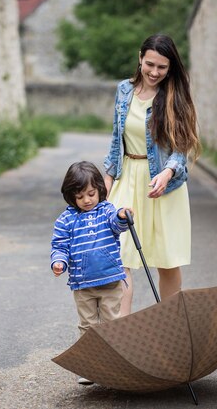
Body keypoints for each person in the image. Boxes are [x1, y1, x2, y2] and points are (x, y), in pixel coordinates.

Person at [103, 34, 200, 316]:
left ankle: (171, 325)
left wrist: (168, 173)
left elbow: (181, 148)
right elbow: (115, 141)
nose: (155, 72)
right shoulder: (124, 91)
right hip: (126, 179)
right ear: (140, 58)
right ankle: (122, 328)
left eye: (162, 67)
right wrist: (106, 180)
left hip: (162, 185)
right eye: (150, 64)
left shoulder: (174, 97)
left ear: (171, 68)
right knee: (118, 257)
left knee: (167, 262)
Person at [51, 161, 133, 385]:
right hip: (82, 284)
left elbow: (116, 224)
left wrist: (123, 217)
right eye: (80, 196)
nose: (87, 200)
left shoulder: (107, 210)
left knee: (111, 322)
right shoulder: (66, 220)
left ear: (99, 189)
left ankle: (116, 362)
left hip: (110, 281)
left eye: (91, 193)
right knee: (87, 325)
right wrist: (59, 262)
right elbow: (59, 246)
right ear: (71, 197)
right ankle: (91, 366)